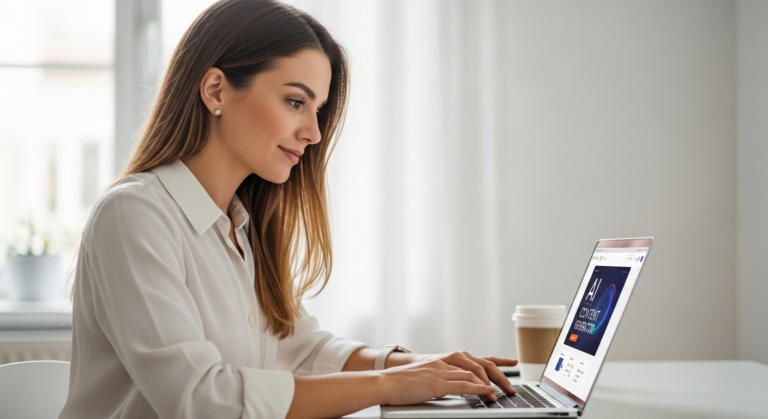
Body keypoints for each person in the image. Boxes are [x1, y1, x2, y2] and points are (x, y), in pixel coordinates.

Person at [59, 1, 517, 418]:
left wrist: (420, 365)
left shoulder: (240, 225)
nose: (314, 133)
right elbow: (201, 399)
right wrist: (390, 385)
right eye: (296, 102)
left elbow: (299, 348)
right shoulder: (135, 215)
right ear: (216, 90)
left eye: (317, 109)